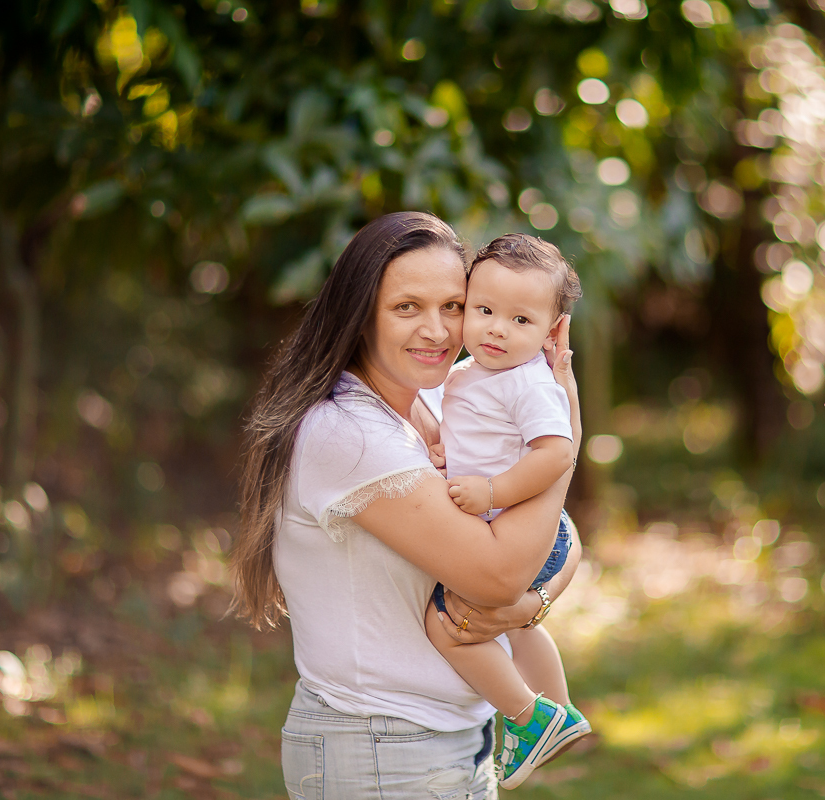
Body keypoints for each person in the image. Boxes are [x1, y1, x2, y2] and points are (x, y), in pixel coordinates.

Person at [231, 212, 581, 798]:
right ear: (360, 314)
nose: (438, 330)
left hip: (457, 738)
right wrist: (564, 439)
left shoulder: (444, 403)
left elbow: (559, 536)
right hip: (381, 748)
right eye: (406, 307)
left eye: (452, 306)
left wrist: (530, 603)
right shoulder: (349, 432)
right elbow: (498, 571)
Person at [425, 233, 589, 789]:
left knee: (447, 625)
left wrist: (492, 491)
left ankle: (528, 715)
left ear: (550, 332)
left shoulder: (528, 384)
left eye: (521, 321)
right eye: (485, 310)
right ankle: (560, 714)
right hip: (520, 525)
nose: (496, 328)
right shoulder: (470, 373)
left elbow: (557, 453)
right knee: (517, 630)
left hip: (521, 524)